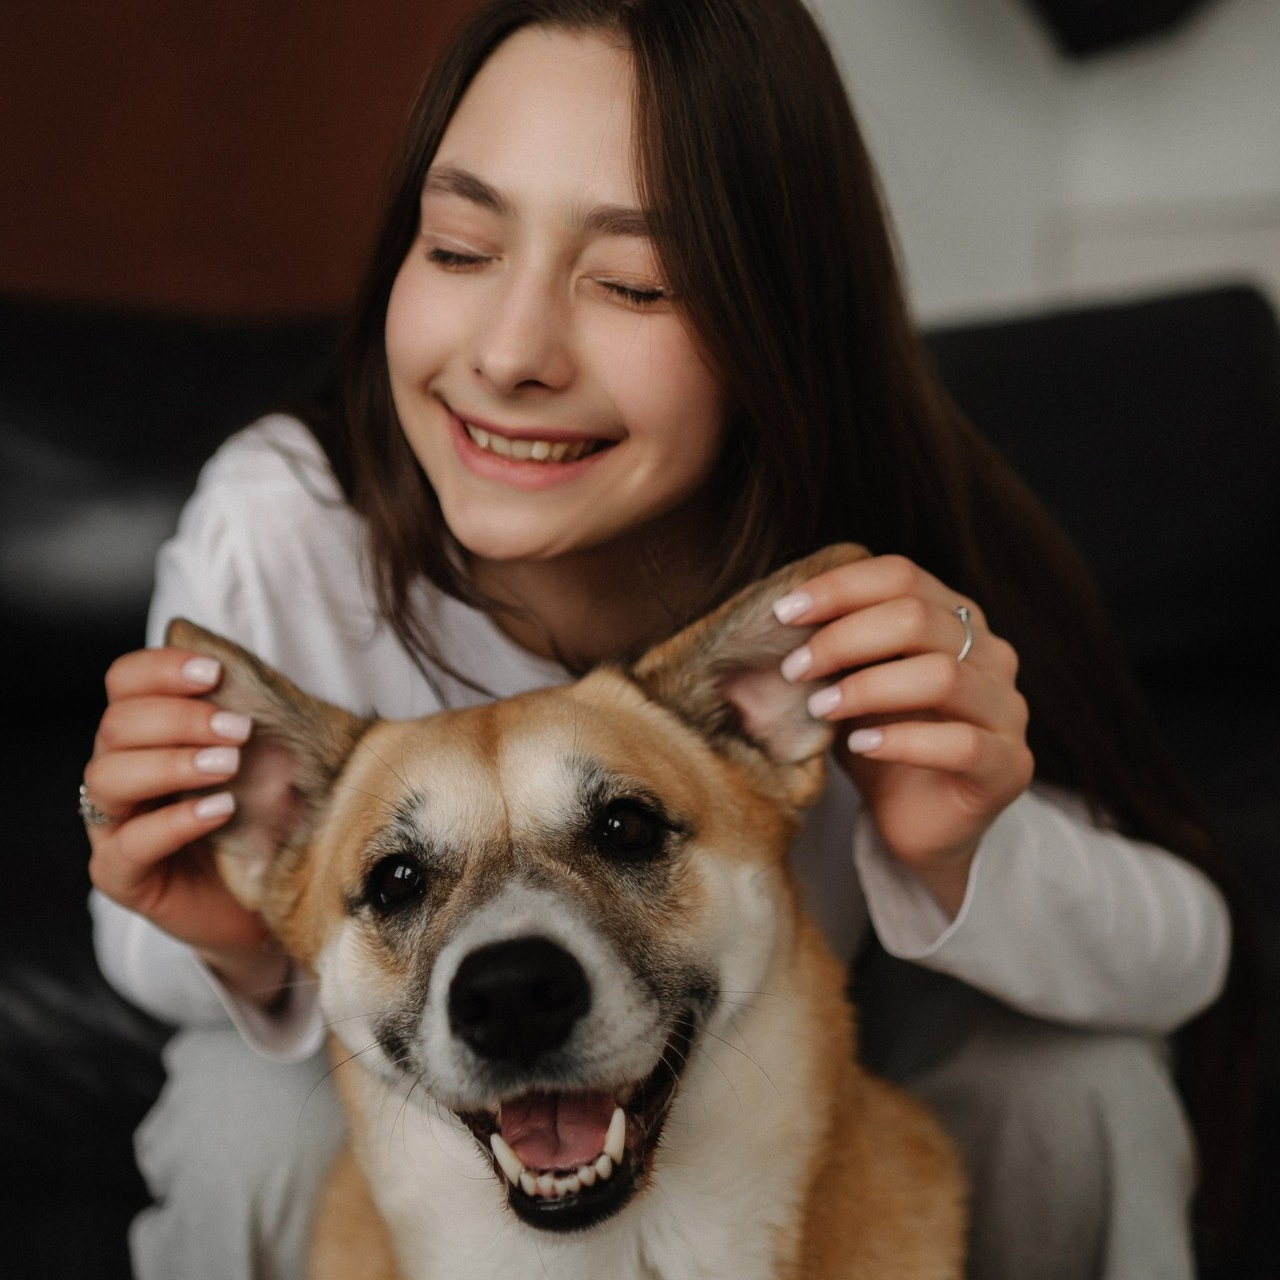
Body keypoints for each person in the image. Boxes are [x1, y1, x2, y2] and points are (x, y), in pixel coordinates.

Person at [80, 1, 1247, 1277]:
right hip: (413, 1114)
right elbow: (181, 933)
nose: (511, 354)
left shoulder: (878, 564)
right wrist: (236, 932)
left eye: (632, 281)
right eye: (460, 246)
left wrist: (959, 841)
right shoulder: (282, 529)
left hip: (811, 1058)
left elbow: (1177, 955)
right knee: (244, 1115)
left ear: (773, 320)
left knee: (1074, 1084)